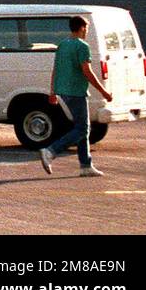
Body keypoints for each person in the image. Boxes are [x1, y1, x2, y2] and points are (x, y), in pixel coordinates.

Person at [41, 16, 112, 177]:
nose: (86, 31)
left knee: (82, 128)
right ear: (81, 28)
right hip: (76, 92)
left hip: (64, 91)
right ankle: (51, 151)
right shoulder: (82, 46)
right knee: (82, 128)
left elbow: (55, 70)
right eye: (86, 28)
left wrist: (52, 92)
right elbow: (87, 71)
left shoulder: (63, 45)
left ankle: (85, 165)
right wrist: (104, 92)